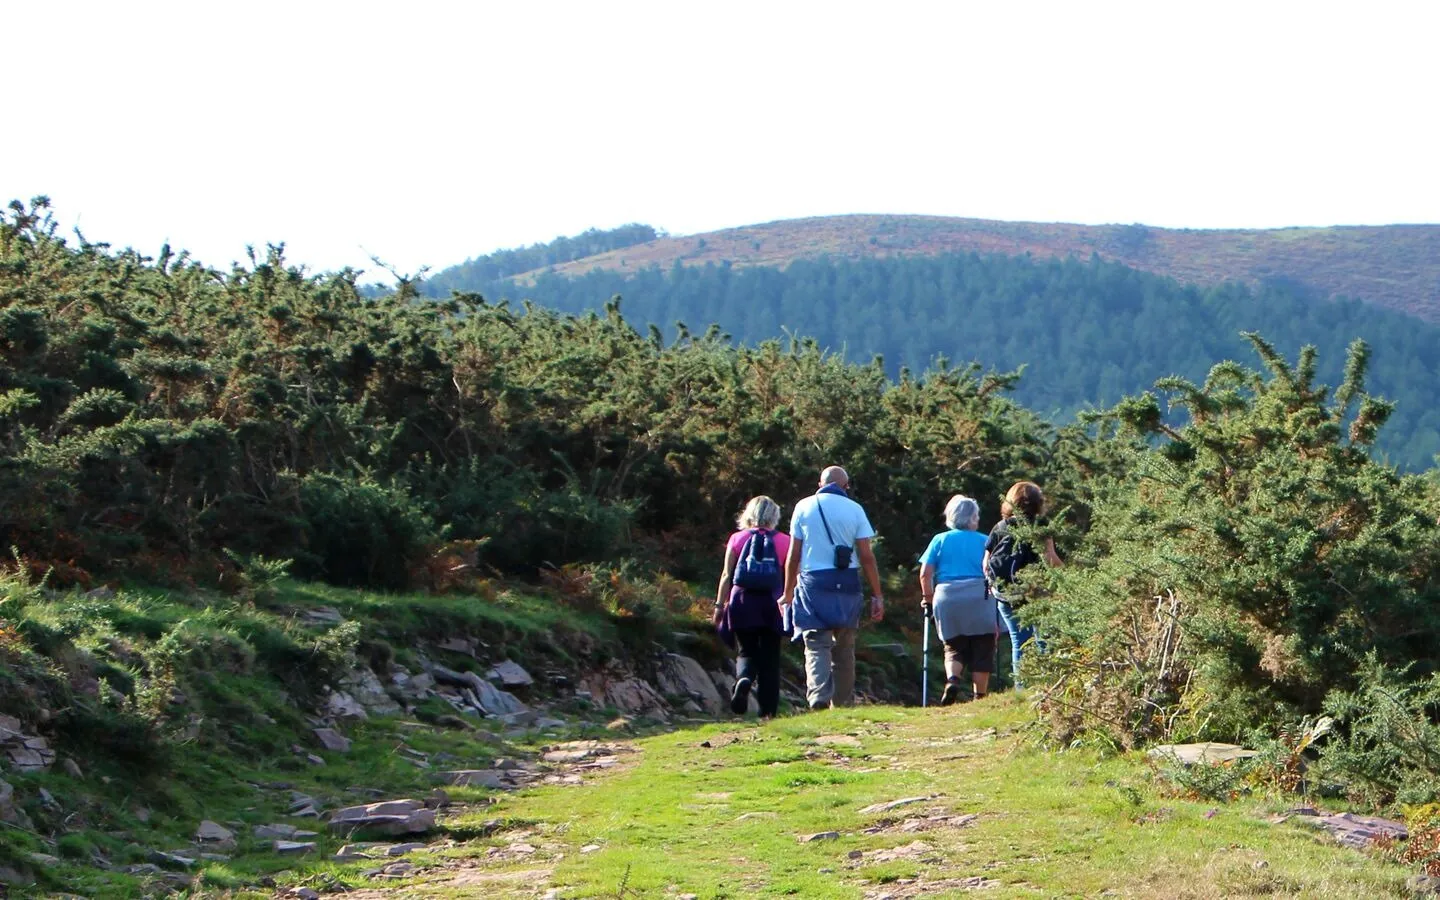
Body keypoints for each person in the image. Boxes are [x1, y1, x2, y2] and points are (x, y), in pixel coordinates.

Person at [780, 466, 885, 709]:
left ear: (820, 483)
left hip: (813, 581)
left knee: (816, 643)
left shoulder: (803, 507)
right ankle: (842, 703)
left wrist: (787, 594)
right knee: (845, 646)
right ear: (846, 486)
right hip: (847, 580)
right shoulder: (856, 509)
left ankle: (818, 696)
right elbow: (867, 556)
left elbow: (794, 555)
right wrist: (877, 595)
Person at [714, 496, 791, 717]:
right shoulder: (785, 541)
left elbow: (727, 575)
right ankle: (768, 714)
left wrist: (720, 605)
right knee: (770, 657)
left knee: (746, 650)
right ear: (774, 516)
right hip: (772, 602)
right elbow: (791, 576)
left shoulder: (737, 538)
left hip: (742, 600)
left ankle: (744, 678)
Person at [984, 480, 1063, 689]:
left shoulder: (999, 527)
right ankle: (1048, 687)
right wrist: (1070, 577)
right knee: (1043, 639)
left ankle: (1022, 690)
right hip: (1036, 592)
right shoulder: (1040, 527)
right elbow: (1050, 559)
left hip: (1006, 595)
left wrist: (994, 587)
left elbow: (986, 562)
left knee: (1020, 642)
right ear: (1038, 503)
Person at [919, 495, 994, 704]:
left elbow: (925, 574)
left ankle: (953, 679)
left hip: (947, 595)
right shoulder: (985, 540)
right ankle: (980, 696)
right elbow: (993, 571)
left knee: (953, 645)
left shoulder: (939, 540)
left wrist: (928, 598)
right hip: (980, 595)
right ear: (971, 518)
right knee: (983, 644)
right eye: (976, 516)